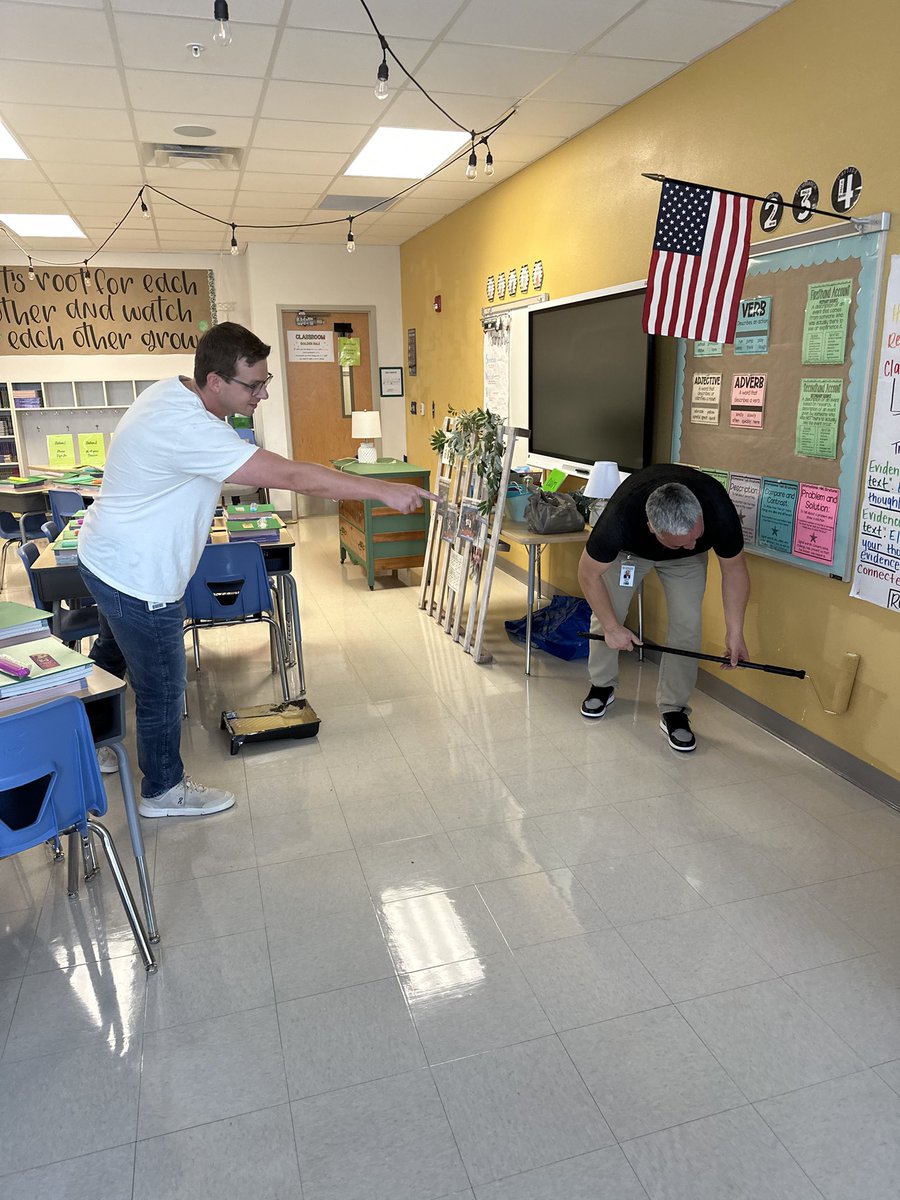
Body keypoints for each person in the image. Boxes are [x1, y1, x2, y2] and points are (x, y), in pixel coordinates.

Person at [78, 322, 434, 817]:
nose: (263, 394)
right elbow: (288, 475)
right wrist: (382, 489)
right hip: (140, 576)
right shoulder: (191, 428)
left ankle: (89, 743)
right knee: (162, 687)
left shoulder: (171, 391)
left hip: (104, 557)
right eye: (254, 384)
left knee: (110, 654)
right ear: (216, 381)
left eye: (266, 382)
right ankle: (162, 789)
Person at [576, 463, 750, 752]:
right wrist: (611, 628)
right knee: (610, 613)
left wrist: (735, 631)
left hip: (686, 566)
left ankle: (674, 708)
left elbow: (734, 570)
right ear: (651, 528)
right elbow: (587, 573)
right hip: (631, 554)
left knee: (688, 625)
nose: (692, 543)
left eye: (696, 535)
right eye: (681, 542)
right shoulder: (620, 517)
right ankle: (602, 684)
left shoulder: (717, 507)